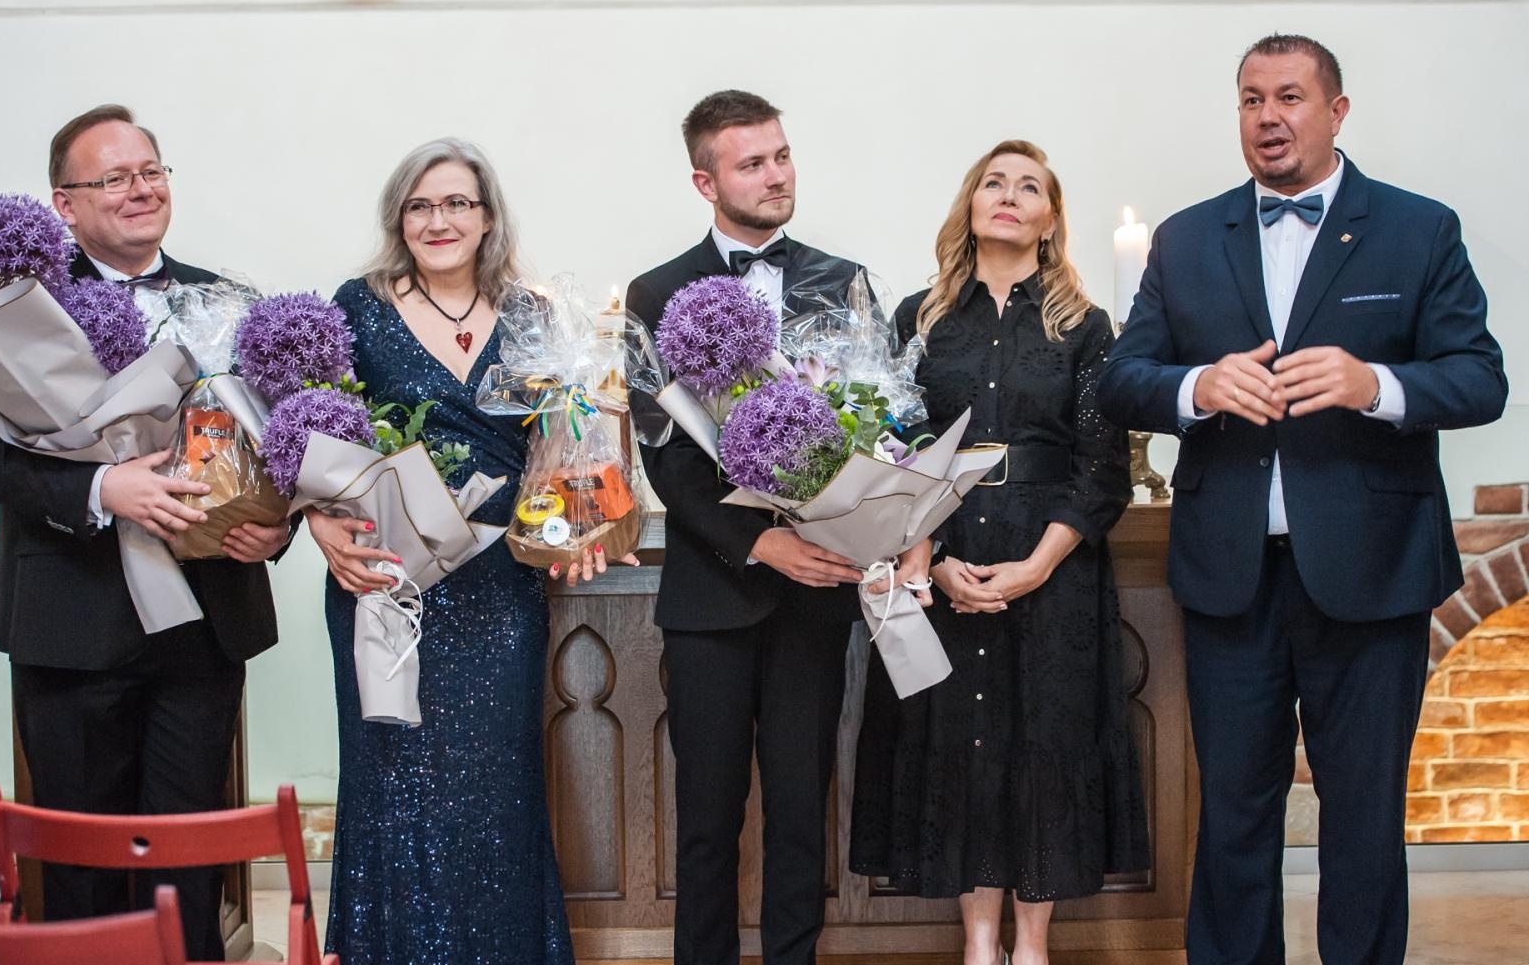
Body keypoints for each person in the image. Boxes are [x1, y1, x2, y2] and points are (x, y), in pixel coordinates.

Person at [1099, 35, 1507, 965]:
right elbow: (1124, 379)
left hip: (1373, 573)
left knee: (1364, 815)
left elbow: (1480, 380)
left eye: (1288, 97)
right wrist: (1196, 388)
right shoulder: (1189, 236)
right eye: (1250, 100)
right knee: (1234, 812)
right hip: (1230, 575)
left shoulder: (1419, 227)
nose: (1268, 117)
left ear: (1337, 110)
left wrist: (1378, 384)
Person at [0, 104, 290, 957]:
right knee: (81, 864)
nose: (140, 188)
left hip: (203, 617)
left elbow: (276, 454)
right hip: (73, 621)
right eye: (113, 177)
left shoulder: (225, 302)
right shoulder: (19, 312)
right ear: (63, 205)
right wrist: (107, 484)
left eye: (150, 170)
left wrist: (273, 528)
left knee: (191, 861)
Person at [850, 140, 1149, 965]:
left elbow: (1102, 468)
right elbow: (887, 449)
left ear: (1051, 219)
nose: (1009, 195)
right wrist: (931, 555)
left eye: (1029, 187)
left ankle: (1032, 943)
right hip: (939, 551)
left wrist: (1038, 565)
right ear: (970, 204)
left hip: (1050, 557)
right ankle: (979, 942)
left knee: (1042, 746)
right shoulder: (918, 318)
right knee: (964, 745)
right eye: (993, 182)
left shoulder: (1088, 328)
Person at [305, 138, 573, 965]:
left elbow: (561, 444)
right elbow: (311, 434)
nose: (439, 219)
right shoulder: (357, 305)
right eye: (421, 205)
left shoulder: (532, 315)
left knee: (496, 791)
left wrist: (571, 511)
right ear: (400, 218)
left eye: (457, 202)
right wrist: (319, 519)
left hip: (500, 589)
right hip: (389, 579)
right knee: (395, 786)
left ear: (488, 216)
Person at [625, 90, 870, 965]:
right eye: (751, 162)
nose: (775, 175)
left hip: (818, 596)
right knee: (708, 820)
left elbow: (869, 418)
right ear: (706, 179)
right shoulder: (655, 292)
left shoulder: (841, 281)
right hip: (711, 596)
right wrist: (759, 540)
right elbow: (664, 453)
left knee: (803, 814)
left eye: (782, 155)